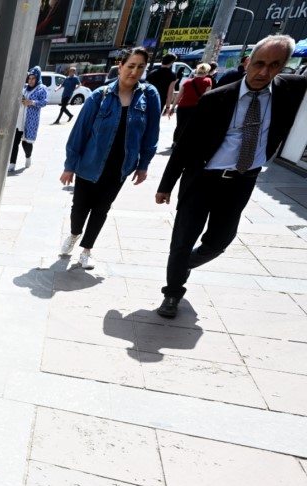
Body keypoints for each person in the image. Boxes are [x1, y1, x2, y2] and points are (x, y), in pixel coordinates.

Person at [154, 35, 307, 318]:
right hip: (202, 180)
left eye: (274, 65)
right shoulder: (216, 98)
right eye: (259, 64)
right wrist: (166, 186)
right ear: (247, 62)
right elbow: (185, 146)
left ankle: (182, 264)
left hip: (242, 181)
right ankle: (173, 292)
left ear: (285, 67)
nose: (264, 72)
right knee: (182, 239)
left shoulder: (292, 90)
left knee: (219, 242)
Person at [60, 47, 160, 270]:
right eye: (130, 66)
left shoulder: (149, 96)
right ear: (121, 66)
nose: (134, 72)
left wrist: (143, 165)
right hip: (90, 162)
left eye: (140, 67)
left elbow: (152, 132)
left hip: (120, 167)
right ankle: (75, 233)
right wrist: (69, 166)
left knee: (101, 209)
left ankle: (87, 249)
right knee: (79, 208)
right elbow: (80, 131)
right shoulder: (100, 95)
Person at [10, 67, 48, 171]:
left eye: (33, 78)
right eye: (29, 78)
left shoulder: (41, 88)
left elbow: (45, 102)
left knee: (25, 143)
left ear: (37, 78)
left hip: (30, 120)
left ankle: (28, 157)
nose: (30, 81)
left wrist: (32, 102)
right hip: (20, 119)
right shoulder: (25, 88)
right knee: (15, 141)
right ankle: (12, 163)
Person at [168, 63, 212, 146]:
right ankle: (184, 143)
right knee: (190, 126)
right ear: (207, 72)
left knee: (179, 125)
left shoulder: (188, 81)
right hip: (195, 107)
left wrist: (172, 107)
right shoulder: (207, 81)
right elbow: (207, 96)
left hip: (182, 107)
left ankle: (175, 142)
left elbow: (178, 96)